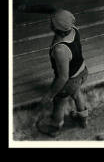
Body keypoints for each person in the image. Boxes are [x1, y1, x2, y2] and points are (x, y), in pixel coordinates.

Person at [36, 9, 89, 137]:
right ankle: (83, 119)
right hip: (82, 71)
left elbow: (63, 77)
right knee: (77, 94)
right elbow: (54, 10)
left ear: (55, 28)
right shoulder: (73, 28)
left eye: (52, 22)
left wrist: (49, 95)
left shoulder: (60, 49)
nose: (50, 22)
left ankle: (55, 125)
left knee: (60, 102)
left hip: (69, 80)